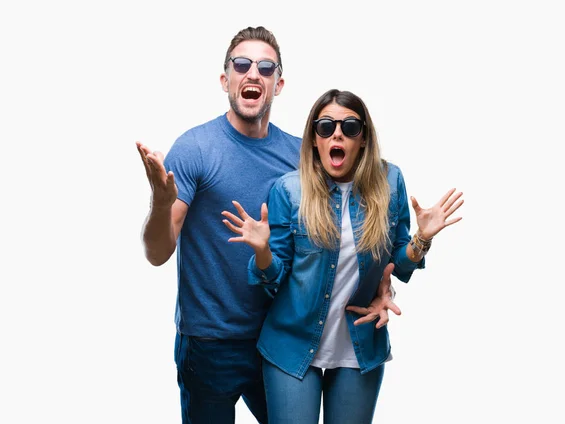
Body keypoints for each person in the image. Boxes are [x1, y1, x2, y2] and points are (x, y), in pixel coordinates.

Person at [136, 27, 396, 424]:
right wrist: (161, 201)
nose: (252, 73)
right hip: (210, 341)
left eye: (265, 66)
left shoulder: (302, 158)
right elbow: (157, 253)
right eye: (241, 65)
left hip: (279, 340)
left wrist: (382, 285)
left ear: (278, 84)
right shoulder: (195, 149)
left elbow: (349, 235)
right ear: (226, 80)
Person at [221, 89, 464, 424]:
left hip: (359, 344)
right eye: (325, 127)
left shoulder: (390, 182)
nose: (337, 134)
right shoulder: (289, 190)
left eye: (350, 127)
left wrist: (421, 238)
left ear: (363, 138)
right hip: (291, 344)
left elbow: (398, 260)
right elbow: (273, 279)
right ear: (315, 140)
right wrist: (262, 251)